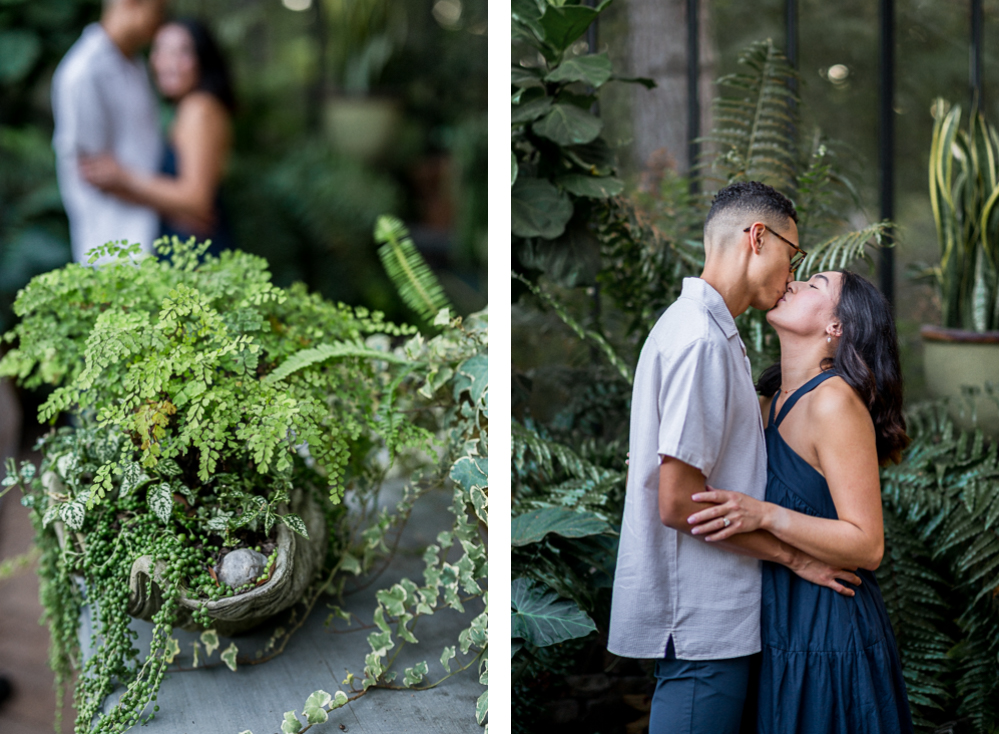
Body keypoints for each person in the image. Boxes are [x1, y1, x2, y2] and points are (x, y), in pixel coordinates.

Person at [608, 181, 863, 734]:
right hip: (703, 619)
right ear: (758, 238)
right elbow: (679, 503)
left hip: (715, 616)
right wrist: (794, 557)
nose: (792, 275)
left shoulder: (706, 332)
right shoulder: (701, 340)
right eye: (793, 256)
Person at [687, 270, 914, 733]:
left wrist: (766, 514)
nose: (791, 283)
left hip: (829, 624)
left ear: (837, 327)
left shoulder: (833, 402)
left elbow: (867, 544)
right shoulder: (767, 404)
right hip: (773, 620)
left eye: (814, 284)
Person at [79, 17, 236, 256]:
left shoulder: (199, 109)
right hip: (183, 247)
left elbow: (197, 199)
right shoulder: (188, 109)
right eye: (160, 50)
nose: (167, 63)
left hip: (196, 254)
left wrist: (123, 177)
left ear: (201, 59)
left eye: (181, 52)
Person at [51, 0, 167, 264]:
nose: (161, 21)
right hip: (111, 246)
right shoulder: (83, 71)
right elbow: (95, 173)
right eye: (158, 9)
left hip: (151, 233)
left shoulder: (134, 62)